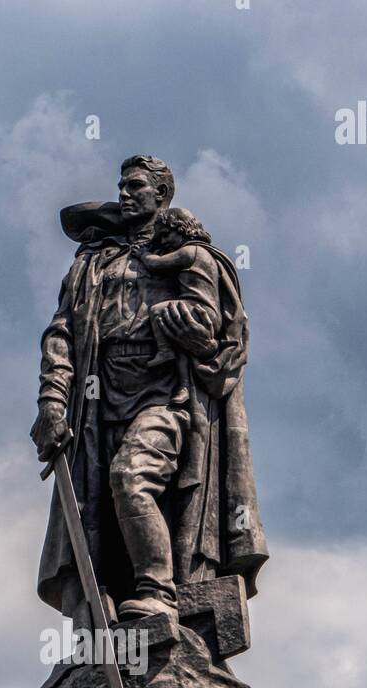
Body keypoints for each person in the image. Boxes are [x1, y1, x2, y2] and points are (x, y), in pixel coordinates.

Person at [31, 154, 268, 633]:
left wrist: (191, 332)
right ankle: (113, 616)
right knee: (99, 514)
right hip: (97, 404)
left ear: (162, 195)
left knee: (131, 476)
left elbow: (224, 336)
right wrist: (52, 402)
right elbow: (63, 335)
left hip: (166, 393)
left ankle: (158, 594)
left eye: (136, 185)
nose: (124, 193)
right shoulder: (93, 262)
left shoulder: (189, 253)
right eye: (121, 185)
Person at [138, 207, 215, 403]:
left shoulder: (189, 252)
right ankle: (184, 387)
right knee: (180, 342)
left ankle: (164, 350)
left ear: (182, 229)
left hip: (197, 309)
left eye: (165, 235)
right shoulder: (207, 254)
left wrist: (144, 255)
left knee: (157, 311)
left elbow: (155, 264)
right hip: (205, 312)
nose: (163, 242)